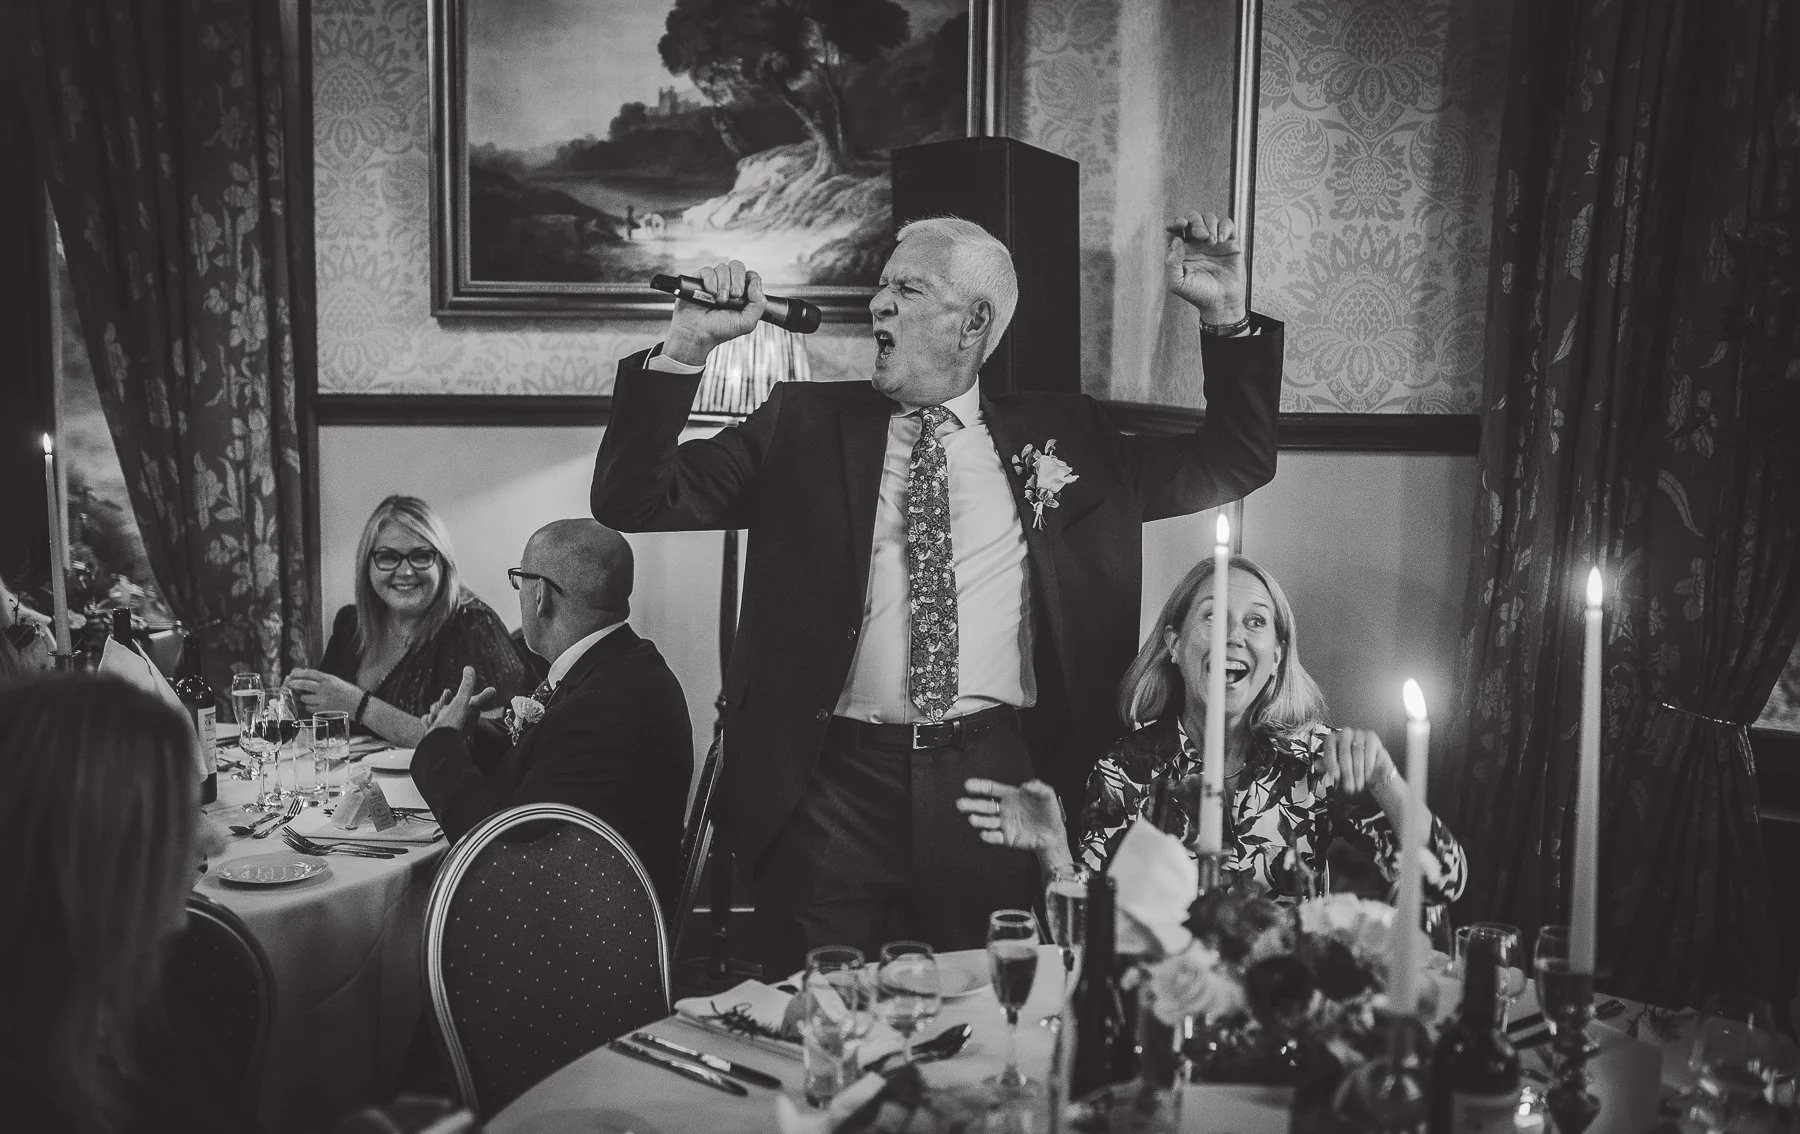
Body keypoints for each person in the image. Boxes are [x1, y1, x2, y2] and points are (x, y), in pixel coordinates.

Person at [591, 210, 1283, 976]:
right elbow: (635, 500)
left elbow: (1236, 460)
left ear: (973, 322)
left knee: (982, 1009)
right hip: (827, 788)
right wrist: (688, 345)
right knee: (815, 1012)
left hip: (990, 784)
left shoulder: (1071, 436)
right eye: (881, 285)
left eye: (908, 288)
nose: (877, 303)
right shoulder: (801, 423)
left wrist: (1227, 317)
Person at [957, 555, 1468, 927]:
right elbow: (1086, 938)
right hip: (1170, 1009)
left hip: (1284, 1013)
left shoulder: (1319, 760)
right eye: (1212, 616)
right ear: (1174, 644)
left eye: (1255, 622)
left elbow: (1443, 884)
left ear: (1277, 657)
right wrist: (1052, 847)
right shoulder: (1125, 771)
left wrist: (1386, 781)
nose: (1234, 636)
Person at [0, 675, 271, 1134]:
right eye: (176, 816)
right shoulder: (18, 1115)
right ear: (92, 853)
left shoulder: (137, 1001)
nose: (214, 839)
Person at [409, 518, 692, 905]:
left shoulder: (603, 705)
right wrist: (470, 738)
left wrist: (440, 745)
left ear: (540, 594)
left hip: (583, 923)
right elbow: (550, 773)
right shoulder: (621, 666)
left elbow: (501, 847)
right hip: (592, 896)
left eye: (519, 580)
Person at [288, 495, 532, 748]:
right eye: (387, 557)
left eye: (421, 556)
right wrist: (303, 701)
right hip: (352, 773)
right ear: (366, 564)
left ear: (443, 563)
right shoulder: (350, 625)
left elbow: (488, 742)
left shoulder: (474, 627)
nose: (405, 571)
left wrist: (358, 704)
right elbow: (326, 725)